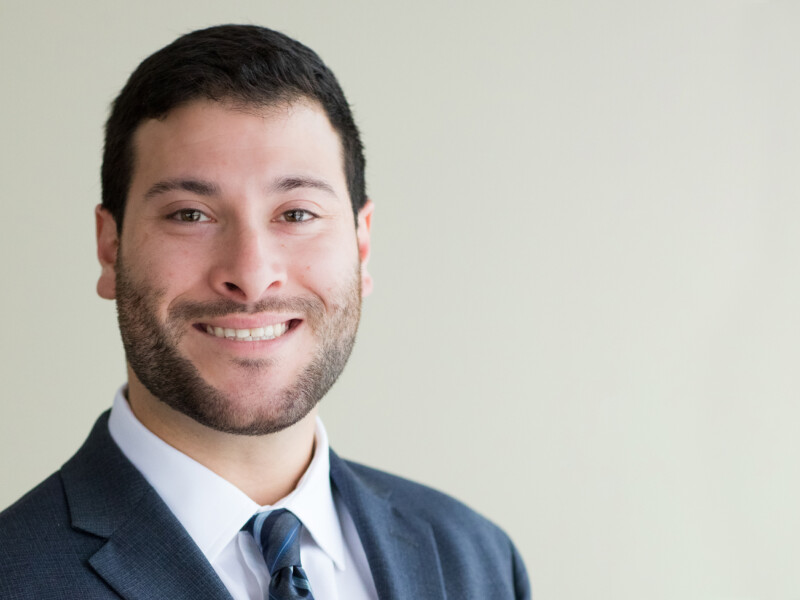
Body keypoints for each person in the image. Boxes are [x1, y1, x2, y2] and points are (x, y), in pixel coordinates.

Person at [0, 24, 530, 599]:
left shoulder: (477, 561)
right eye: (190, 214)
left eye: (297, 214)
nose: (251, 274)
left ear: (362, 243)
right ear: (110, 248)